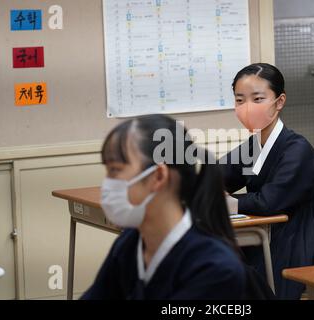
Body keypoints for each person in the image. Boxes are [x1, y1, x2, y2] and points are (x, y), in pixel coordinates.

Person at [81, 114, 247, 299]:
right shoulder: (131, 242)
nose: (107, 184)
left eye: (115, 170)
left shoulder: (215, 267)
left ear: (158, 176)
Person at [220, 63, 314, 300]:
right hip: (266, 236)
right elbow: (217, 175)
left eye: (257, 99)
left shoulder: (297, 149)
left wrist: (229, 203)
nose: (247, 107)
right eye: (240, 100)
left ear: (279, 102)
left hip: (296, 241)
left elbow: (269, 202)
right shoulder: (254, 146)